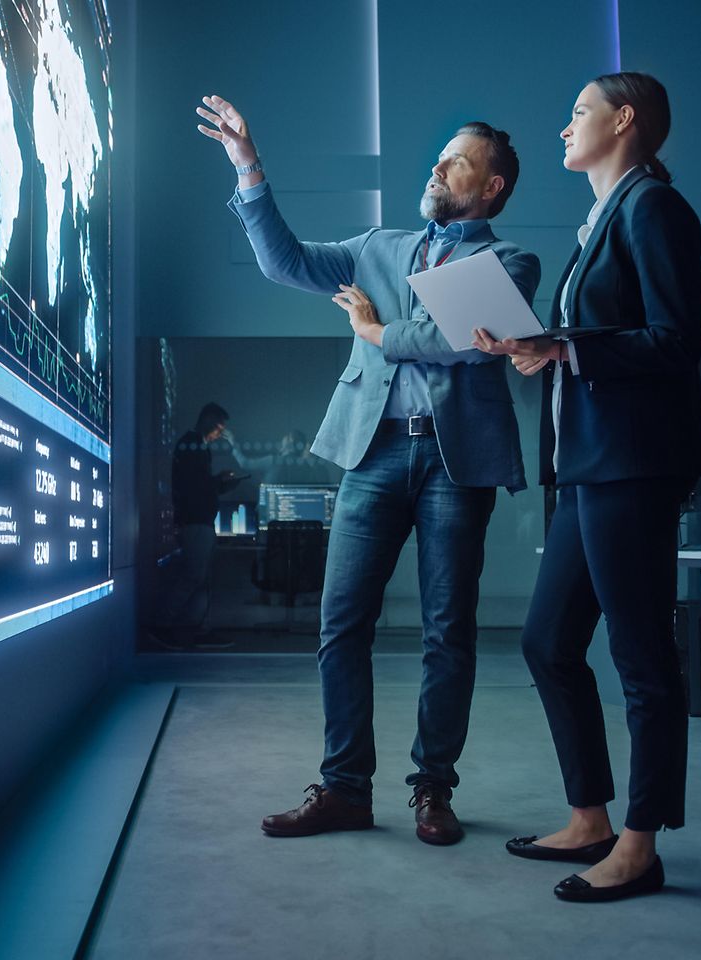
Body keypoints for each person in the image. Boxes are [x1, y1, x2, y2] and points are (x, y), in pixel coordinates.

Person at [197, 95, 540, 845]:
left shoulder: (511, 262)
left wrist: (375, 331)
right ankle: (345, 787)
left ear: (492, 188)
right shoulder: (377, 248)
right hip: (372, 450)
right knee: (339, 623)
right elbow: (283, 262)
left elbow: (455, 339)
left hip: (457, 465)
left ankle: (432, 791)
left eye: (456, 159)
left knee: (448, 632)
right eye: (439, 154)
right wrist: (248, 167)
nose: (437, 164)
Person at [474, 72, 701, 902]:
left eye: (578, 112)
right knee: (546, 643)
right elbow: (603, 338)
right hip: (586, 465)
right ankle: (590, 817)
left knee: (643, 658)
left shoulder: (653, 209)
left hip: (632, 466)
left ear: (625, 120)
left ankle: (640, 846)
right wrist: (544, 347)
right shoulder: (603, 220)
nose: (563, 127)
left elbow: (676, 341)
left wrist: (568, 348)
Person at [157, 402, 241, 644]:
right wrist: (219, 482)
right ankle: (163, 624)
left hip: (199, 521)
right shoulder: (192, 445)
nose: (219, 434)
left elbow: (199, 486)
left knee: (200, 578)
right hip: (194, 521)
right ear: (207, 421)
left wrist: (219, 483)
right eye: (218, 427)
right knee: (193, 577)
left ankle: (195, 628)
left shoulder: (197, 447)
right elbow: (196, 486)